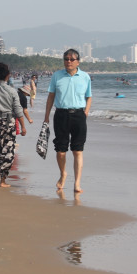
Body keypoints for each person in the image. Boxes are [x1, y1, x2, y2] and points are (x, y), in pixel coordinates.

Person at [43, 49, 92, 193]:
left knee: (78, 150)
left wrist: (86, 112)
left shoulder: (85, 77)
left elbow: (89, 96)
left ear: (78, 62)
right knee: (61, 150)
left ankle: (77, 183)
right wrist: (46, 116)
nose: (68, 61)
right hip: (61, 115)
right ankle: (63, 173)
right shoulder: (57, 76)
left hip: (79, 115)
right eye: (66, 59)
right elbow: (51, 97)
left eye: (71, 59)